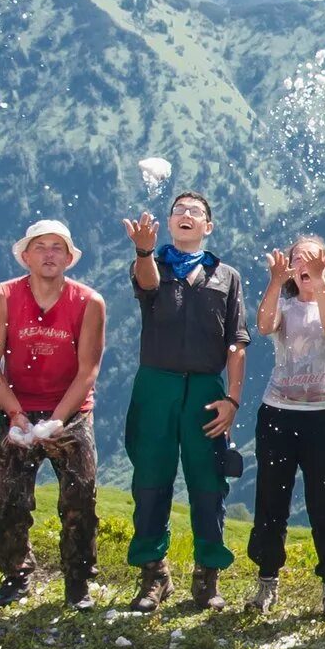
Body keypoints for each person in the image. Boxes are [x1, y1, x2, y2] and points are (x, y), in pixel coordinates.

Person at [122, 192, 246, 612]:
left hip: (207, 391)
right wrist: (142, 249)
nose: (186, 216)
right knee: (151, 479)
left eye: (195, 212)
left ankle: (207, 575)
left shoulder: (227, 276)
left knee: (209, 482)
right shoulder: (153, 265)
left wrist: (232, 399)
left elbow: (236, 343)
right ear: (169, 224)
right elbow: (147, 284)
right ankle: (153, 573)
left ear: (208, 227)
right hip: (156, 385)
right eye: (178, 212)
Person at [0, 220, 105, 609]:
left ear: (69, 258)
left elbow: (88, 371)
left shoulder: (89, 302)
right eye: (41, 247)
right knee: (6, 496)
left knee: (80, 495)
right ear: (25, 255)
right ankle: (15, 573)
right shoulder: (2, 296)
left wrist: (56, 420)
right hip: (19, 407)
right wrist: (16, 415)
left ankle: (78, 580)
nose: (49, 254)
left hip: (71, 411)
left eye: (57, 247)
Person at [248, 234, 325, 621]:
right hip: (278, 413)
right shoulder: (285, 305)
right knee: (270, 500)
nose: (305, 267)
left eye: (312, 260)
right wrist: (276, 281)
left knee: (324, 503)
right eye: (298, 260)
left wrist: (320, 282)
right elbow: (262, 326)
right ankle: (265, 579)